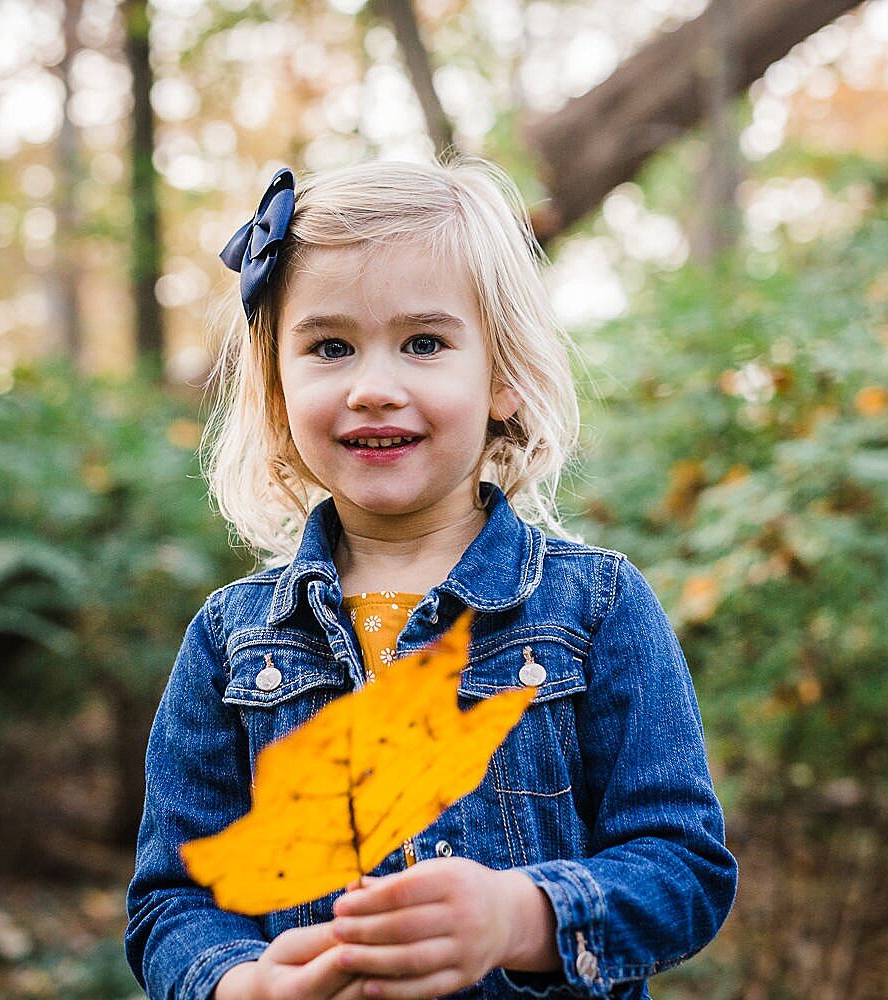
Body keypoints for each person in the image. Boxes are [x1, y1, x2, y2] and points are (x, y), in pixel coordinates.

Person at [125, 157, 738, 1000]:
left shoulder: (593, 608)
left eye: (424, 343)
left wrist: (519, 916)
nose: (375, 388)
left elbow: (684, 868)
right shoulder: (233, 642)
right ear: (275, 390)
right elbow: (173, 900)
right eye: (331, 347)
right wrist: (241, 984)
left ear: (505, 380)